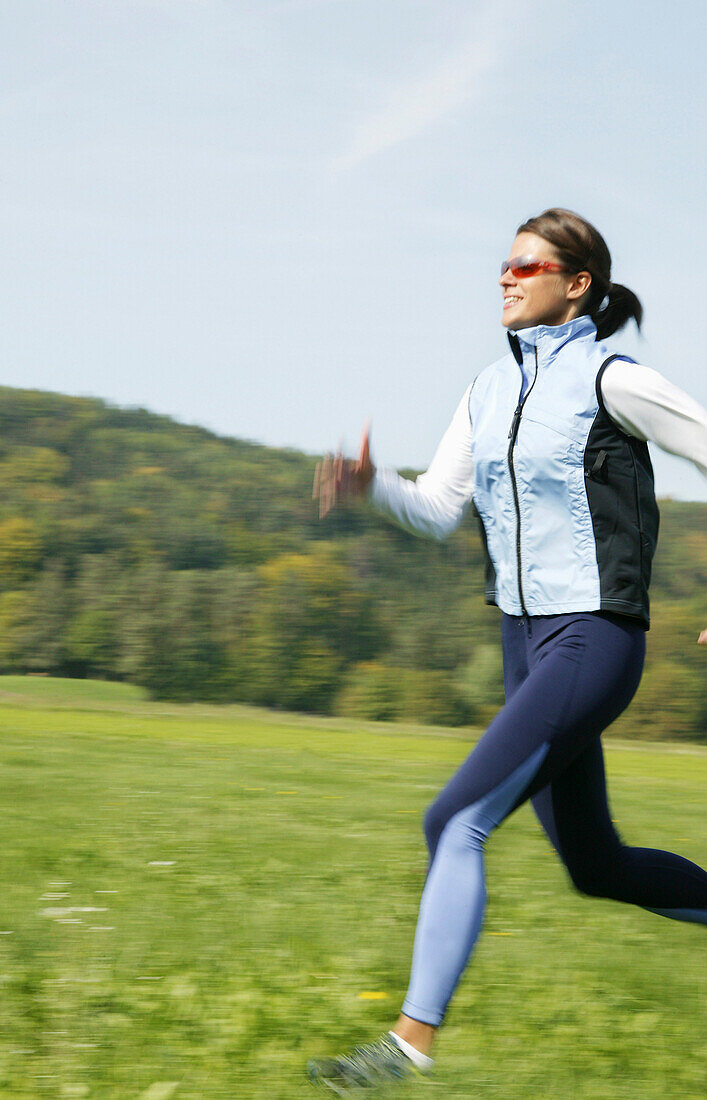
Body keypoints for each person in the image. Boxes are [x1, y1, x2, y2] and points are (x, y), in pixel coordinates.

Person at [307, 208, 707, 1093]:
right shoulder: (486, 390)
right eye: (504, 263)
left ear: (576, 286)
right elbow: (439, 509)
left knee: (454, 820)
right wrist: (375, 489)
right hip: (522, 642)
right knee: (597, 867)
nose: (506, 276)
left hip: (593, 637)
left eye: (527, 266)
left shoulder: (613, 379)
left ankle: (407, 1047)